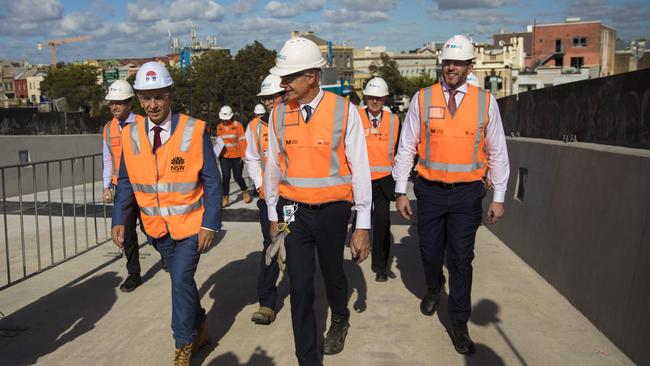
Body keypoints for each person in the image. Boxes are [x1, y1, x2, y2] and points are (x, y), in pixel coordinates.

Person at [393, 34, 510, 355]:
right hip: (429, 191)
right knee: (430, 251)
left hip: (467, 195)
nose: (451, 68)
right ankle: (433, 288)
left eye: (458, 63)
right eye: (447, 62)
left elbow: (498, 151)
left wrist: (498, 196)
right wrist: (400, 190)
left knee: (461, 258)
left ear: (469, 65)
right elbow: (406, 147)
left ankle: (459, 321)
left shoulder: (486, 102)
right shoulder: (422, 99)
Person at [264, 37, 372, 365]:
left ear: (311, 77)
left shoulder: (344, 111)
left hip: (333, 210)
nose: (282, 83)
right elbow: (273, 167)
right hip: (291, 210)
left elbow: (360, 169)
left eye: (288, 77)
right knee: (299, 286)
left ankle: (339, 318)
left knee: (332, 272)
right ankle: (307, 359)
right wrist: (274, 215)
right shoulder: (279, 113)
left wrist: (362, 225)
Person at [111, 61, 222, 366]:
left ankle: (183, 343)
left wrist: (211, 223)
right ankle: (200, 326)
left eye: (158, 96)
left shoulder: (193, 129)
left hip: (190, 226)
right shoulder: (130, 134)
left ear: (170, 95)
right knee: (182, 282)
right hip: (156, 228)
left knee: (180, 280)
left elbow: (212, 180)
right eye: (146, 98)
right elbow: (125, 181)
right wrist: (119, 220)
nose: (152, 104)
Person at [245, 74, 285, 325]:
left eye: (273, 97)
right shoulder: (254, 126)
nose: (269, 102)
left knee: (291, 242)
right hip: (267, 201)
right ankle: (267, 303)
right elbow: (252, 158)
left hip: (291, 199)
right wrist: (261, 185)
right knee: (271, 244)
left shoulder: (294, 122)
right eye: (265, 98)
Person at [102, 80, 145, 292]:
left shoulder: (143, 123)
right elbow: (108, 159)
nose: (114, 107)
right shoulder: (108, 128)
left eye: (119, 103)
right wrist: (106, 185)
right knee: (127, 233)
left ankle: (167, 256)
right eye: (112, 103)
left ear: (130, 104)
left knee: (152, 228)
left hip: (144, 186)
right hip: (122, 188)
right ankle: (134, 273)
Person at [359, 77, 400, 282]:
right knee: (360, 220)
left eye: (379, 98)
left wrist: (400, 182)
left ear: (385, 99)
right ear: (365, 97)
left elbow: (400, 151)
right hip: (361, 180)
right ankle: (359, 249)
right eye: (371, 98)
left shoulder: (394, 120)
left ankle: (381, 266)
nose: (374, 102)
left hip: (384, 181)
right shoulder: (356, 117)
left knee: (382, 223)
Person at [215, 105, 250, 207]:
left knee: (238, 176)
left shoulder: (238, 125)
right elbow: (218, 142)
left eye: (227, 119)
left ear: (231, 117)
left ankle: (245, 191)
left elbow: (242, 141)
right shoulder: (219, 127)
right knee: (225, 177)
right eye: (223, 119)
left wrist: (243, 155)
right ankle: (225, 197)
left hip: (237, 156)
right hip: (224, 156)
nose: (225, 121)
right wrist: (216, 153)